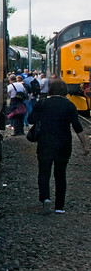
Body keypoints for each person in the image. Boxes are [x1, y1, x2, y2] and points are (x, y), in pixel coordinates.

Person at [27, 79, 90, 215]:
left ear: (50, 90)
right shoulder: (69, 105)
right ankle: (59, 206)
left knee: (44, 173)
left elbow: (31, 119)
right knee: (60, 174)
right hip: (63, 144)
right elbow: (77, 126)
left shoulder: (42, 103)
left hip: (45, 143)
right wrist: (85, 145)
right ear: (64, 90)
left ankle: (45, 199)